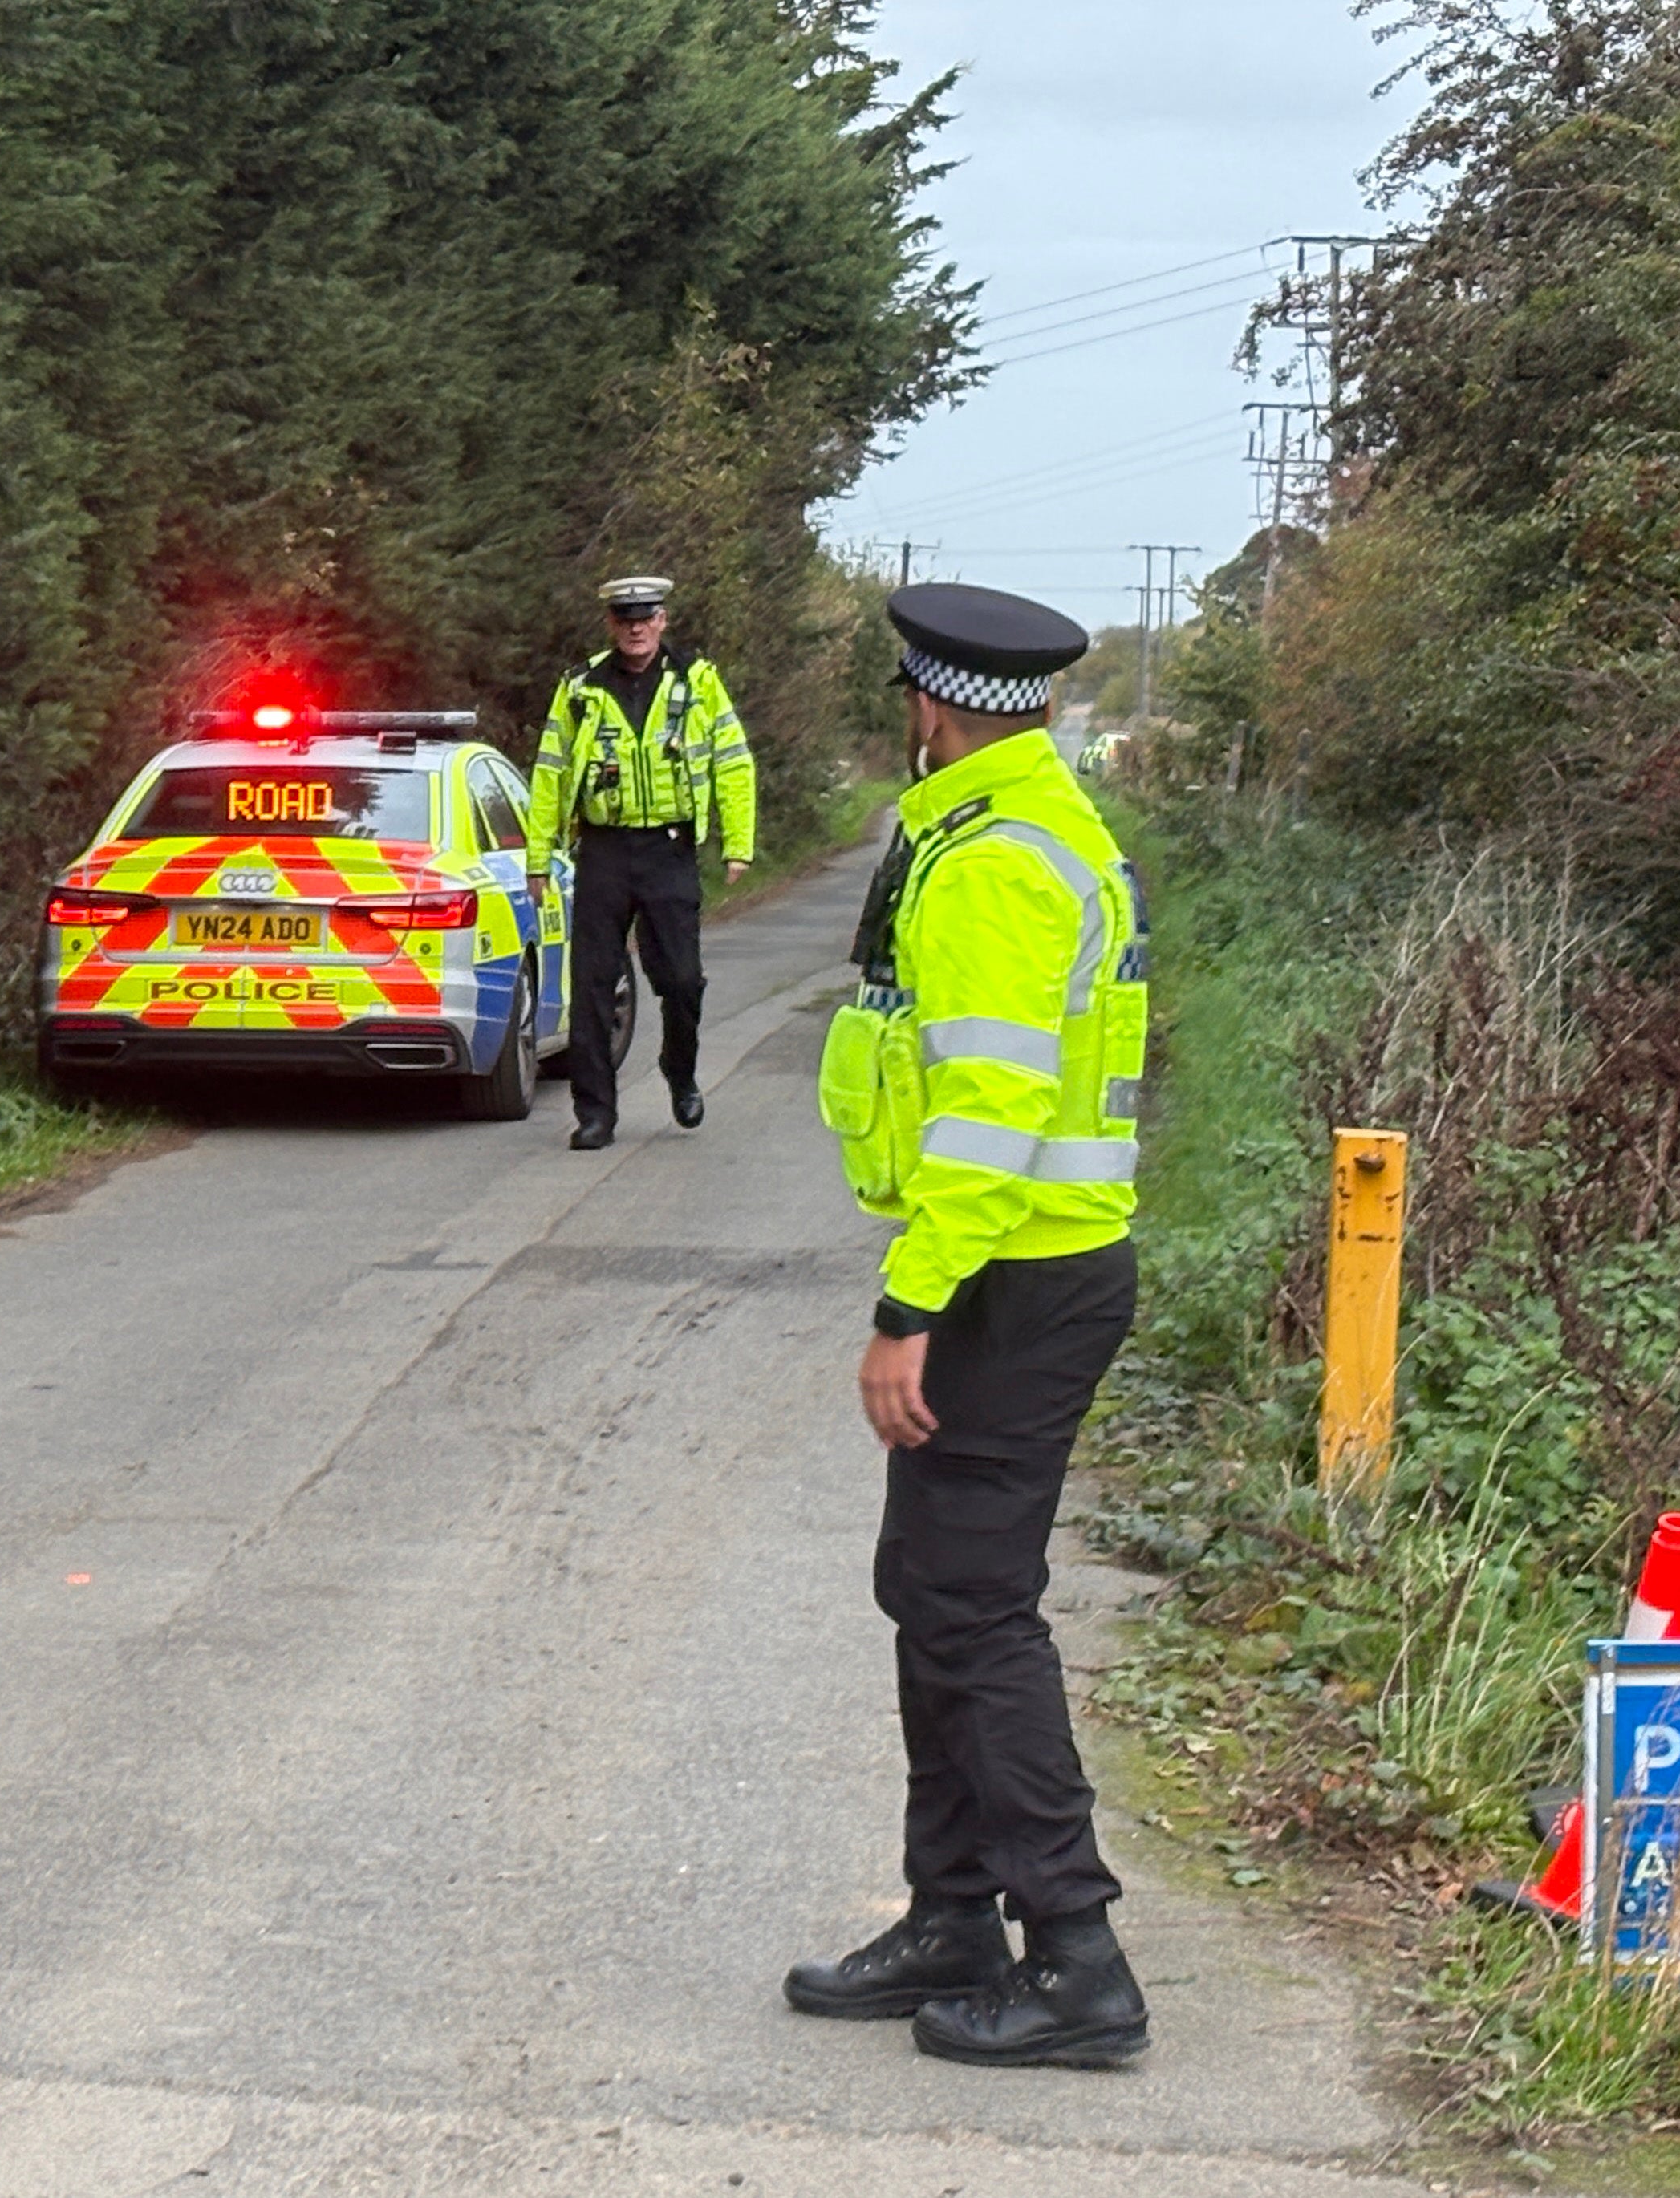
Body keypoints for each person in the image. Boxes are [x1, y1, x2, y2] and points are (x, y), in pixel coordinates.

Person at [785, 583, 1153, 2069]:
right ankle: (952, 1916)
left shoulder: (997, 861)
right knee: (929, 1586)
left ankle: (1074, 1955)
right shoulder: (1021, 827)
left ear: (929, 706)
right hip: (1029, 1267)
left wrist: (907, 1305)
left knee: (973, 1609)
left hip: (1013, 1276)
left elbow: (993, 1114)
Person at [522, 576, 757, 1150]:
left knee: (681, 980)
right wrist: (538, 856)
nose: (635, 627)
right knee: (593, 986)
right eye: (624, 617)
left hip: (669, 849)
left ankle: (680, 1071)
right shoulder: (580, 688)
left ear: (663, 620)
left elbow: (733, 762)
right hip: (603, 850)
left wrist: (738, 844)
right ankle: (596, 1114)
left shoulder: (697, 682)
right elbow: (550, 772)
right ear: (610, 623)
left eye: (645, 616)